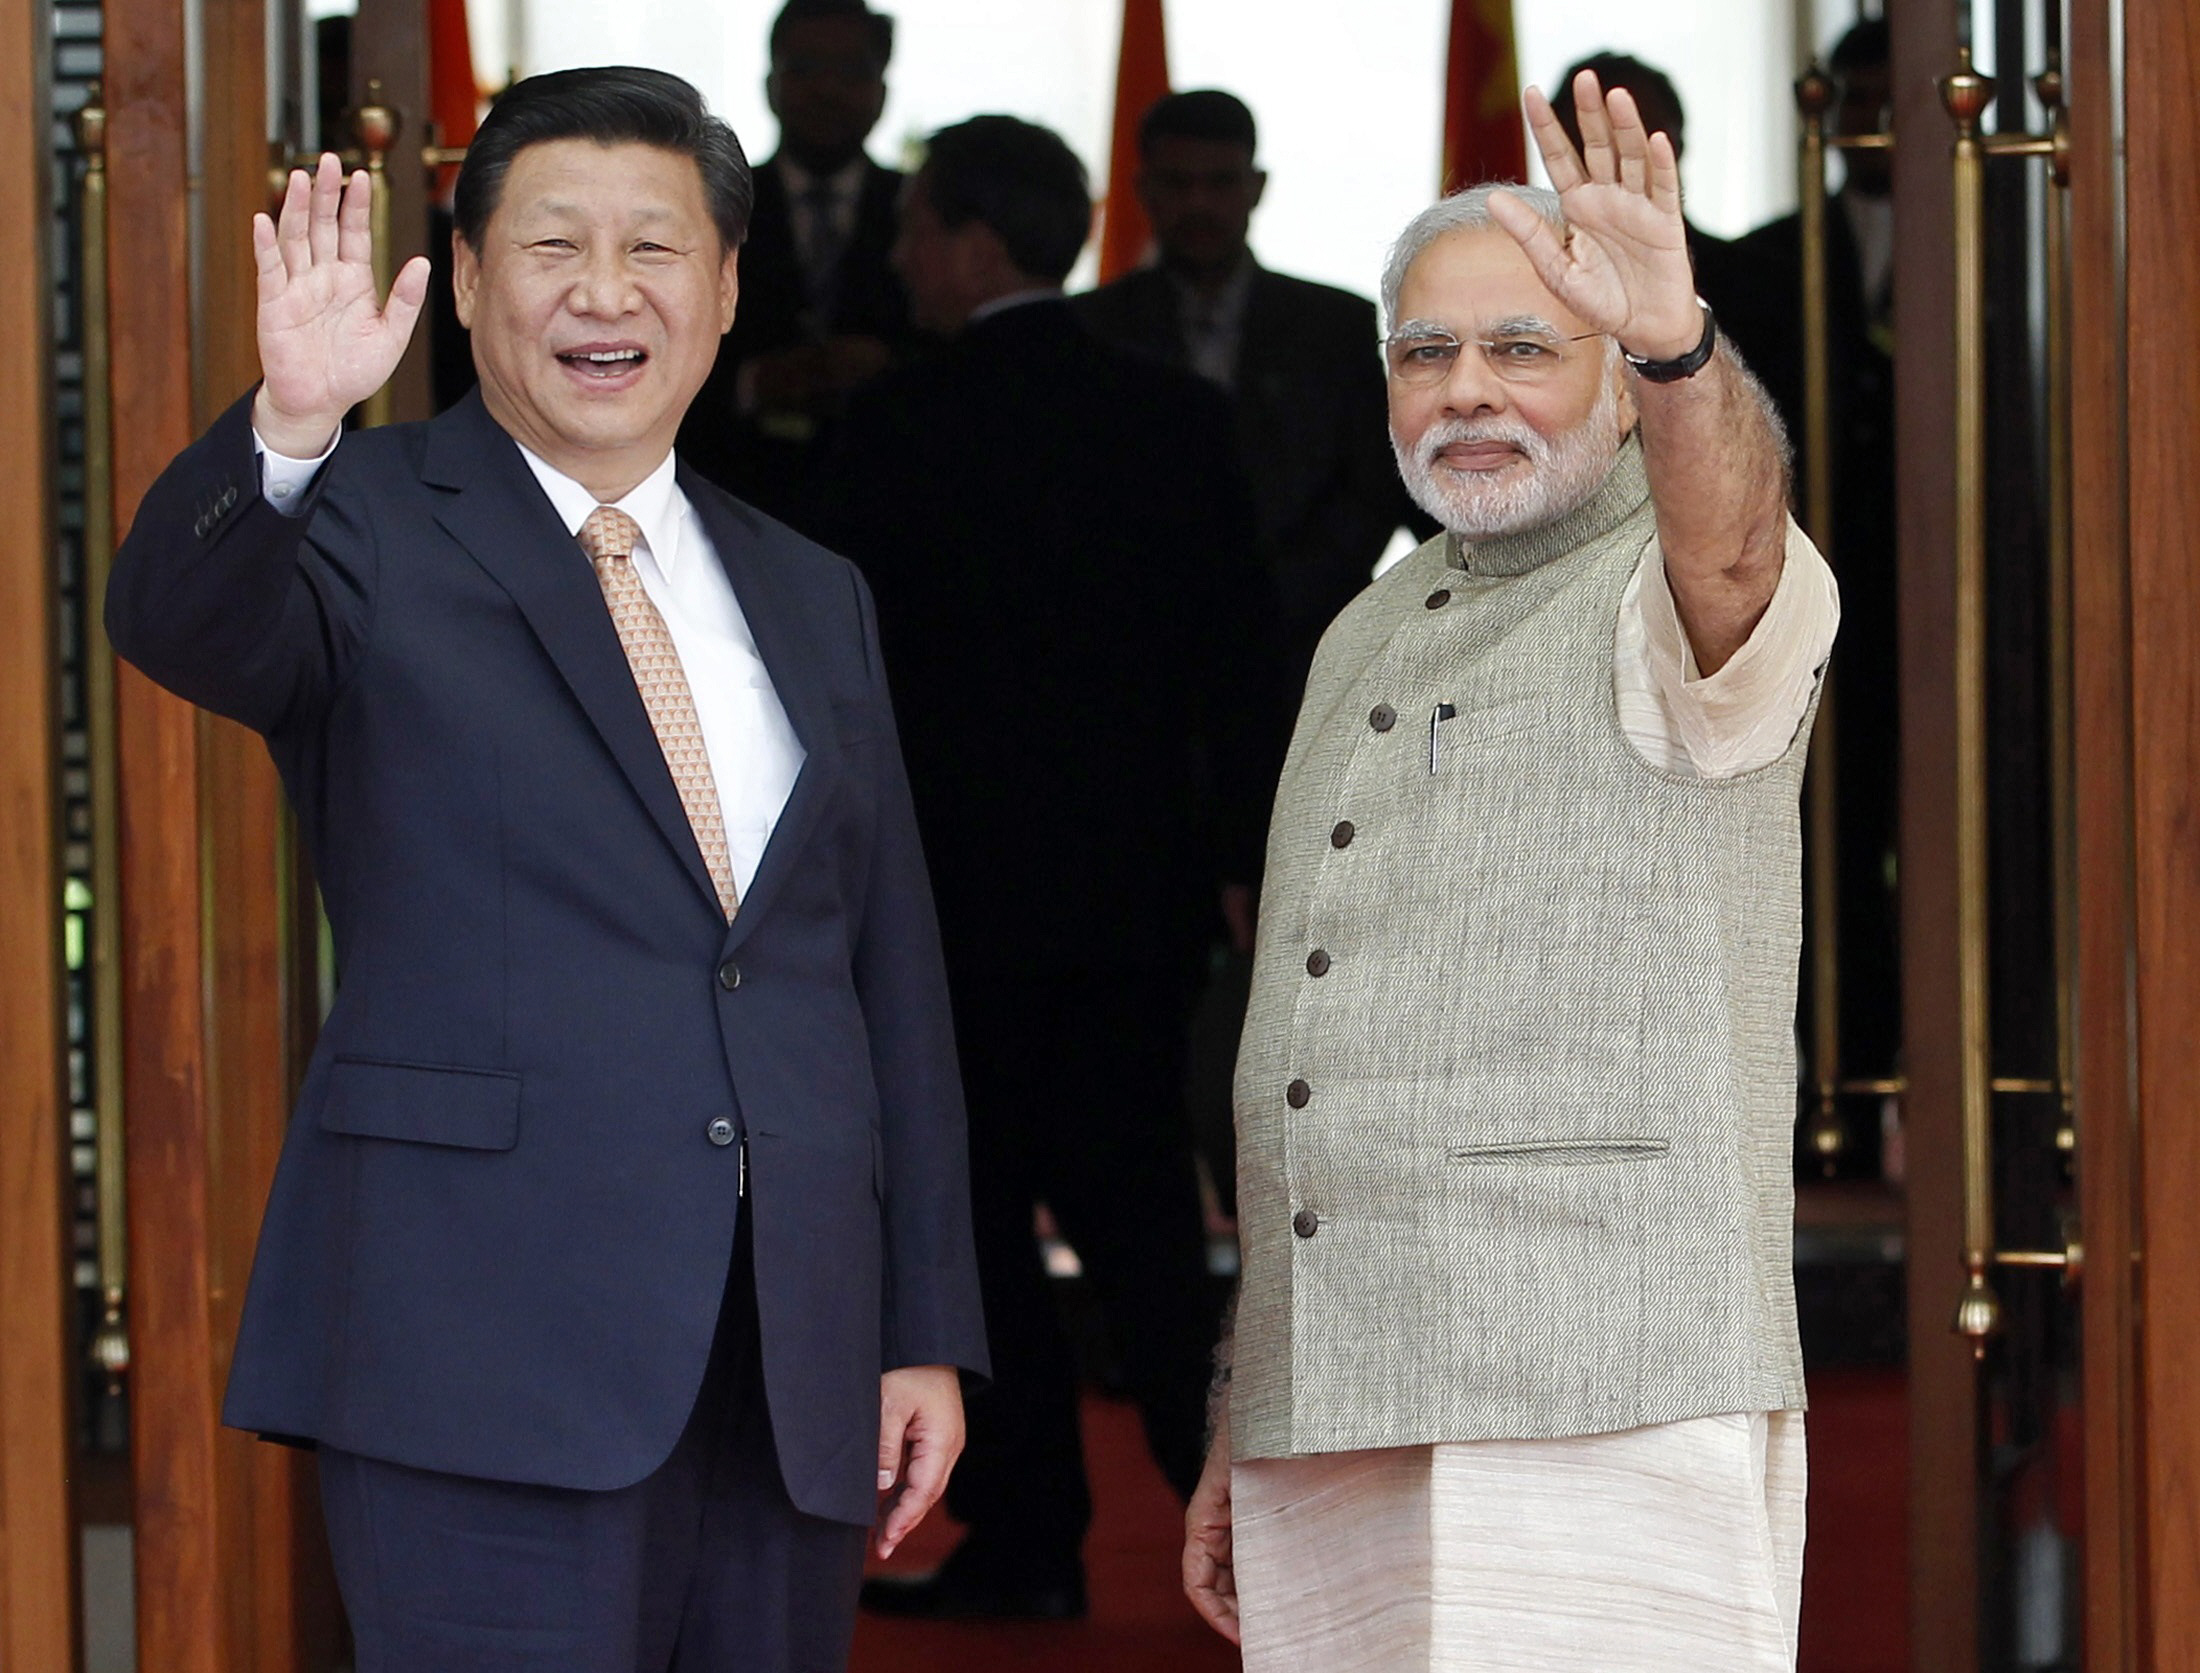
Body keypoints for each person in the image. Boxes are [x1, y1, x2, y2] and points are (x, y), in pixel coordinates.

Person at [104, 66, 985, 1673]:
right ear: (466, 269)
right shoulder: (360, 521)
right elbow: (178, 621)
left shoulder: (811, 587)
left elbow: (884, 976)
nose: (604, 292)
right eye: (552, 245)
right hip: (481, 1344)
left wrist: (920, 1322)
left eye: (655, 248)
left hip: (785, 1364)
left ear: (725, 288)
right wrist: (291, 425)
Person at [1182, 72, 1837, 1671]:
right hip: (1336, 1382)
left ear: (1622, 384)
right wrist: (1237, 1403)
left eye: (1526, 347)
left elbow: (1737, 532)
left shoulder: (1692, 585)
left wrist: (1684, 341)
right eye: (1427, 353)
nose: (1467, 389)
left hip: (1603, 1377)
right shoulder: (1364, 624)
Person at [807, 114, 1273, 1622]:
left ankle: (1027, 1549)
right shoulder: (1175, 417)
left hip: (945, 915)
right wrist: (1242, 863)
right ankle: (1257, 1544)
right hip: (1134, 908)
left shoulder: (888, 431)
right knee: (1152, 1234)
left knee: (974, 1233)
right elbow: (1242, 670)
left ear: (973, 245)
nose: (898, 257)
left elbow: (833, 696)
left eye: (917, 229)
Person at [1077, 89, 1423, 689]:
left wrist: (1288, 595)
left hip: (1308, 651)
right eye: (1179, 184)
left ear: (1255, 187)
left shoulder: (1333, 325)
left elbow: (1373, 483)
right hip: (1131, 654)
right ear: (1145, 191)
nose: (1199, 204)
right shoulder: (1091, 328)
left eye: (1219, 183)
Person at [1724, 16, 1902, 1100]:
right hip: (1805, 599)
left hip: (1969, 603)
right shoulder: (1761, 264)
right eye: (1860, 100)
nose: (1878, 124)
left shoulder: (2007, 232)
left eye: (1896, 97)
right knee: (1815, 840)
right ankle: (1833, 1080)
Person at [678, 0, 910, 520]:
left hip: (893, 503)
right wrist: (756, 384)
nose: (827, 91)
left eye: (851, 72)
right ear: (770, 85)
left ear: (882, 92)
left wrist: (882, 373)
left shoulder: (922, 211)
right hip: (732, 499)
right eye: (805, 69)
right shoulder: (707, 208)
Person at [1548, 51, 1753, 318]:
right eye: (1594, 142)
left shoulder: (1756, 283)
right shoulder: (1525, 283)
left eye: (1637, 137)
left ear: (1677, 145)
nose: (1618, 160)